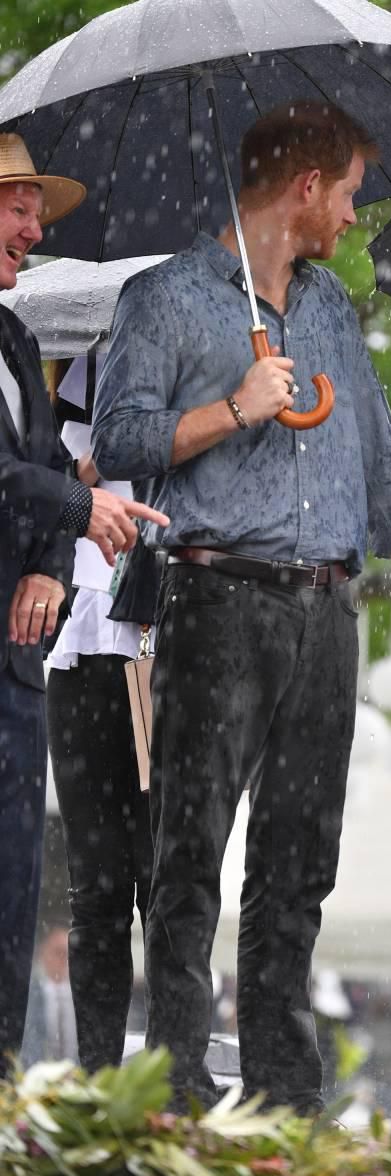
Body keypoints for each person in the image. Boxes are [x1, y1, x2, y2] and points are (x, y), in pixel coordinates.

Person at [91, 100, 391, 1113]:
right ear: (305, 187)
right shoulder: (164, 298)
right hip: (214, 597)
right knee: (190, 850)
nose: (352, 214)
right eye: (348, 194)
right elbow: (117, 442)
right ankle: (175, 1084)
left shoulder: (331, 307)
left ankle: (286, 1093)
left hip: (327, 612)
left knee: (299, 860)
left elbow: (378, 457)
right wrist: (233, 409)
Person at [0, 133, 168, 1076]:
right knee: (93, 881)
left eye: (37, 211)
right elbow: (42, 475)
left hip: (41, 650)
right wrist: (78, 503)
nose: (33, 229)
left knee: (25, 877)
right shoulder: (58, 353)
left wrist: (50, 567)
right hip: (68, 653)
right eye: (17, 206)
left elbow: (42, 472)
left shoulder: (18, 341)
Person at [45, 355, 155, 1073]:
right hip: (81, 643)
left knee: (165, 878)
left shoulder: (204, 370)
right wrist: (84, 469)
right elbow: (42, 485)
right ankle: (98, 1076)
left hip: (158, 645)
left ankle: (176, 1078)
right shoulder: (79, 370)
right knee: (96, 884)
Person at [20, 925, 78, 1067]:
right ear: (43, 953)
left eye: (68, 954)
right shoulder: (28, 995)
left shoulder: (81, 996)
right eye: (58, 952)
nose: (64, 959)